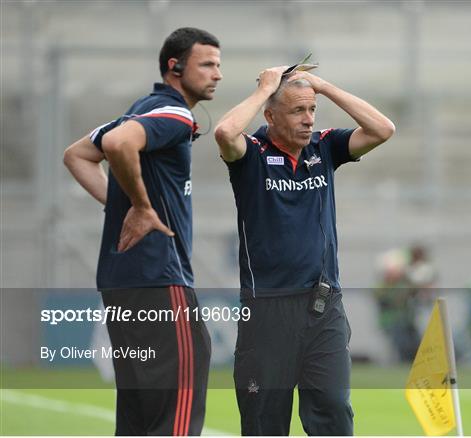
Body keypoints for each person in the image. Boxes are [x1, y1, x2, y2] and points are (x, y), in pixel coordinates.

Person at [214, 65, 395, 435]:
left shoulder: (324, 147)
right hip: (267, 311)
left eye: (312, 110)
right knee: (264, 421)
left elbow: (382, 129)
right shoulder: (251, 154)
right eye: (298, 111)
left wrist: (323, 87)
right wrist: (265, 88)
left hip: (323, 308)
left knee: (333, 409)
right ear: (270, 114)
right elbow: (224, 131)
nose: (309, 119)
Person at [63, 27, 222, 436]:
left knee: (138, 420)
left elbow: (77, 155)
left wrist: (122, 207)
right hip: (159, 279)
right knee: (174, 418)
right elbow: (117, 144)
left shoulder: (143, 108)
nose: (216, 74)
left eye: (218, 65)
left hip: (123, 284)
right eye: (206, 64)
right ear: (175, 67)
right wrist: (140, 206)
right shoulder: (173, 112)